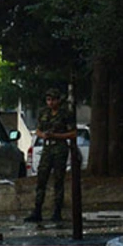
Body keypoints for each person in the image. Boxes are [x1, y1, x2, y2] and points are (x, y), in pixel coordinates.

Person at [25, 87, 77, 222]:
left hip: (59, 148)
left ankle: (57, 211)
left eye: (53, 100)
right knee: (41, 179)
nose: (51, 103)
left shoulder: (65, 114)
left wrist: (56, 135)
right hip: (47, 148)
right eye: (48, 100)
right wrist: (43, 135)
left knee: (58, 180)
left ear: (58, 100)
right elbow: (37, 130)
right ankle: (37, 210)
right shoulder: (44, 113)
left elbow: (73, 133)